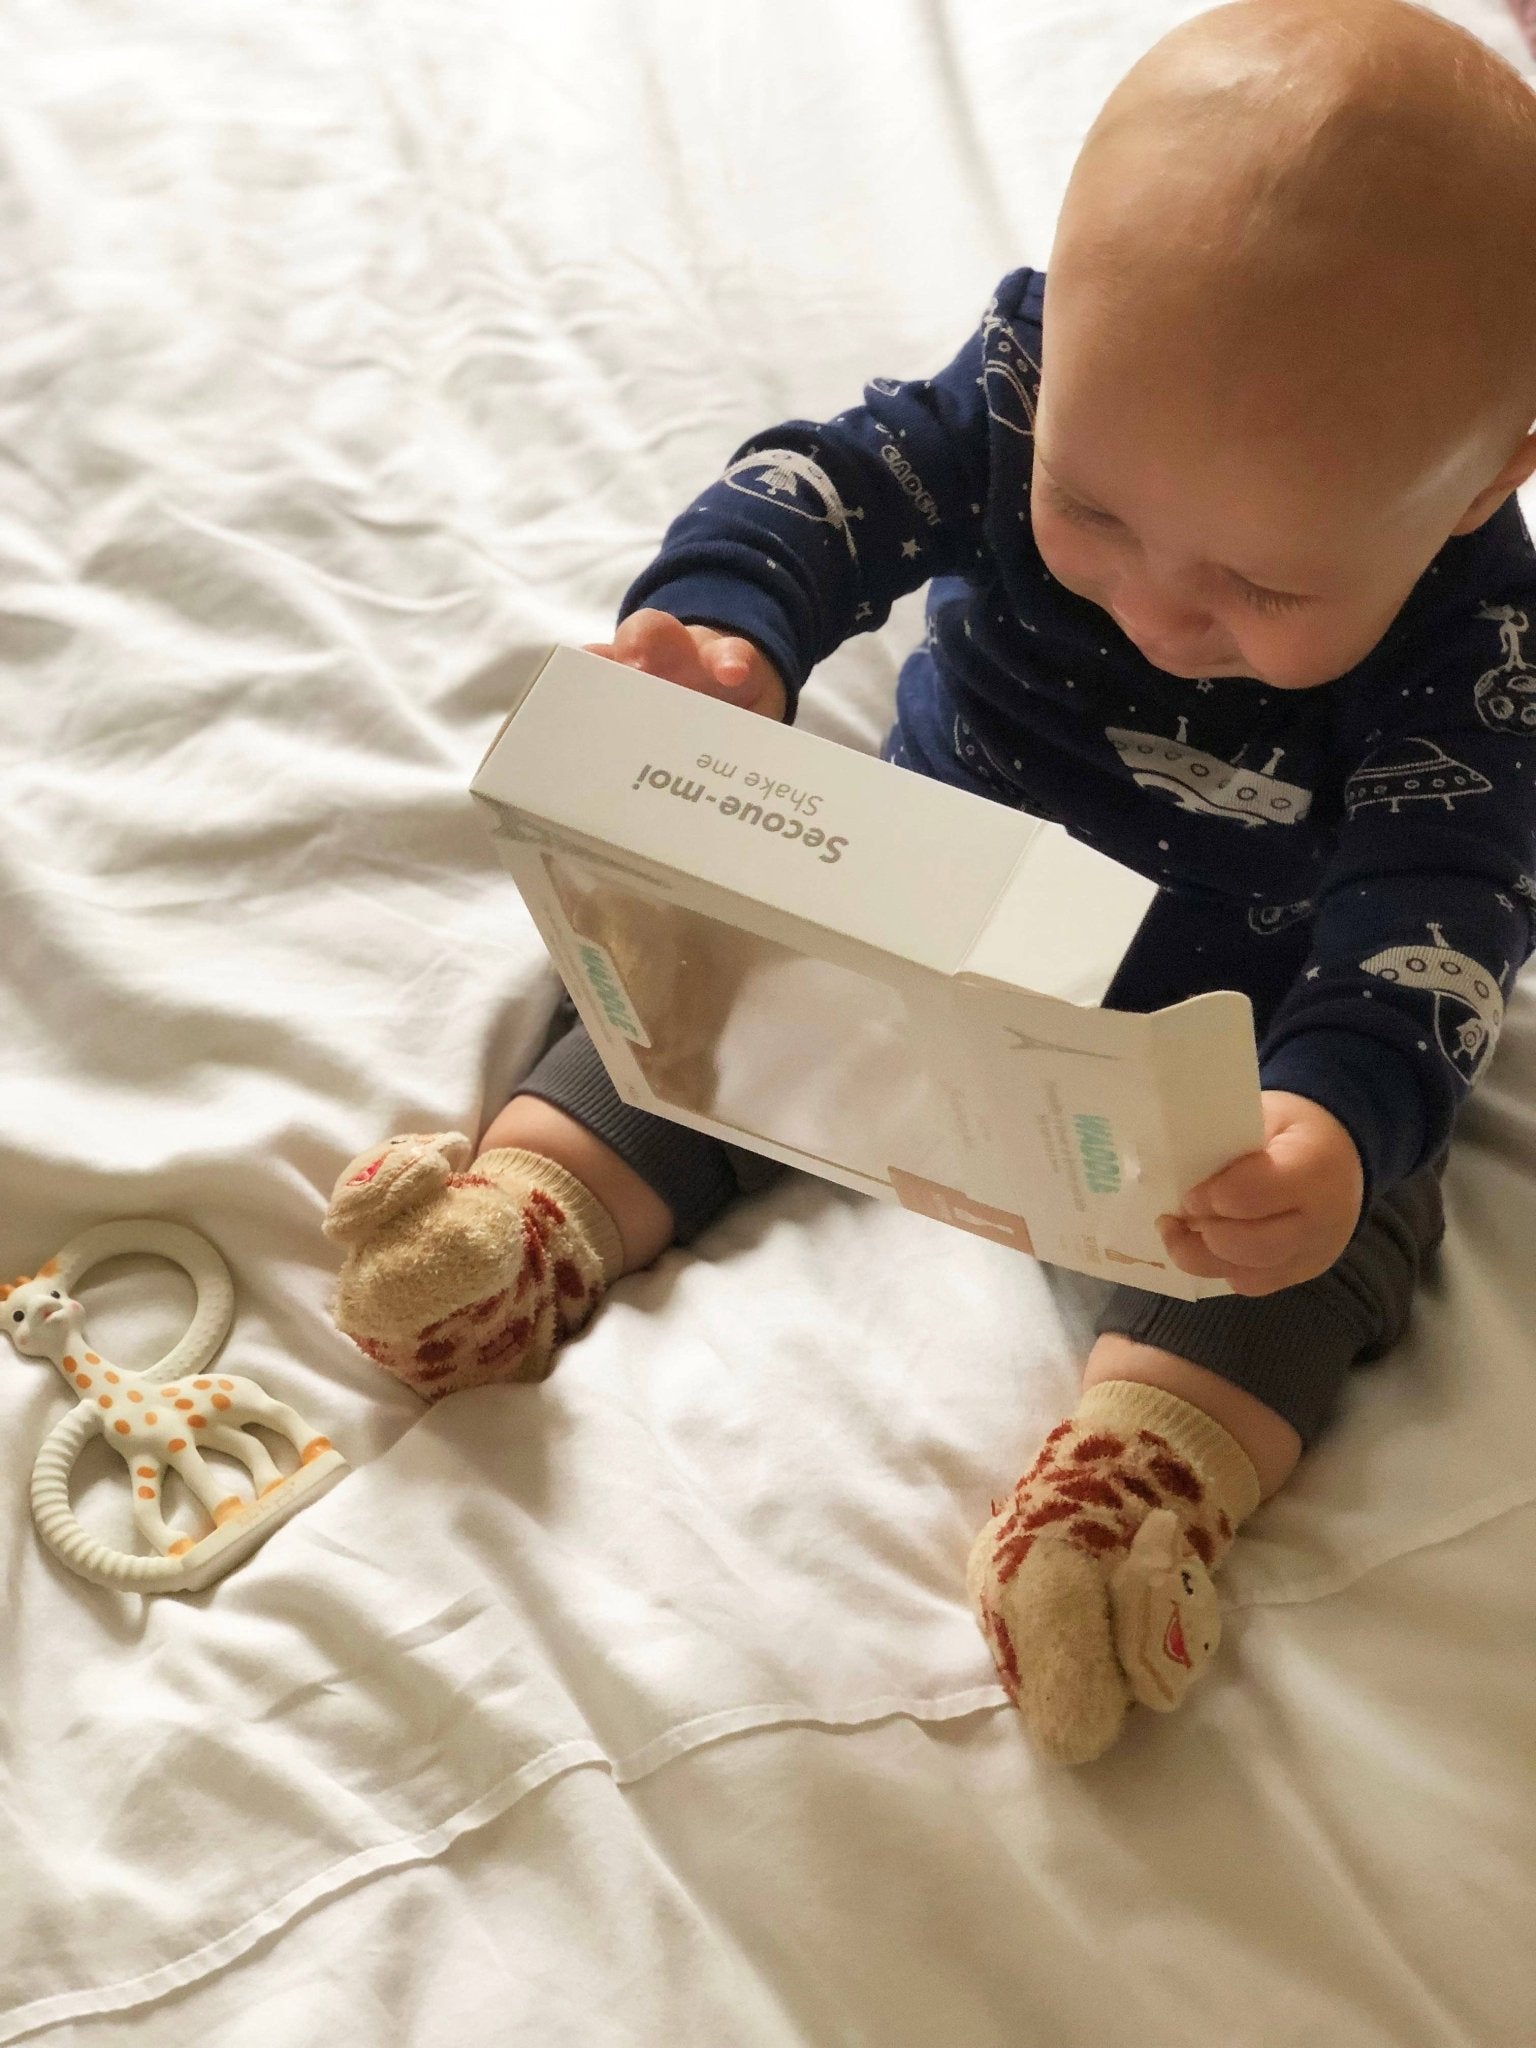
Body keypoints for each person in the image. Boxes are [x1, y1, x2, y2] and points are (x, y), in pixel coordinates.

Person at [319, 0, 1536, 1763]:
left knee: (1312, 1241)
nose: (1158, 608)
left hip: (1242, 1039)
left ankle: (1142, 1481)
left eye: (1261, 592)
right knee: (700, 993)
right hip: (931, 895)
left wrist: (1336, 1125)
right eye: (1094, 515)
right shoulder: (1042, 378)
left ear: (1482, 478)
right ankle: (529, 1213)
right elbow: (827, 482)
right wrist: (732, 625)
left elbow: (1440, 918)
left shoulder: (1477, 642)